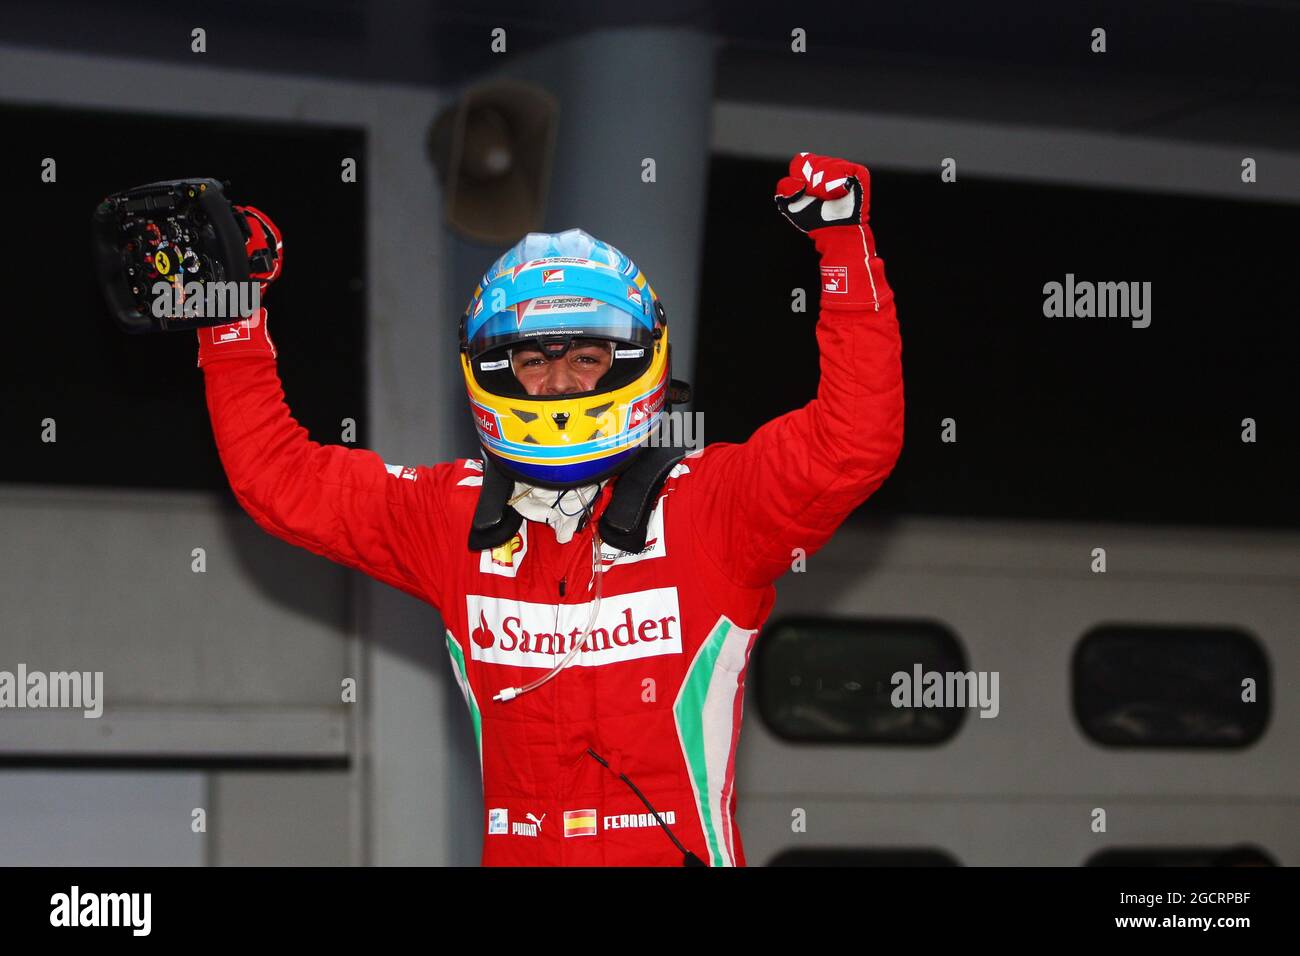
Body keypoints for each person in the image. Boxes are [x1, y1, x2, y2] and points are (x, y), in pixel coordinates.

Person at [198, 152, 904, 866]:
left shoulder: (712, 507)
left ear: (634, 359)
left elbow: (853, 444)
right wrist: (231, 320)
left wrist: (844, 247)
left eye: (586, 357)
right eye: (532, 361)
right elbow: (277, 479)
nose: (558, 383)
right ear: (495, 372)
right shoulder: (452, 519)